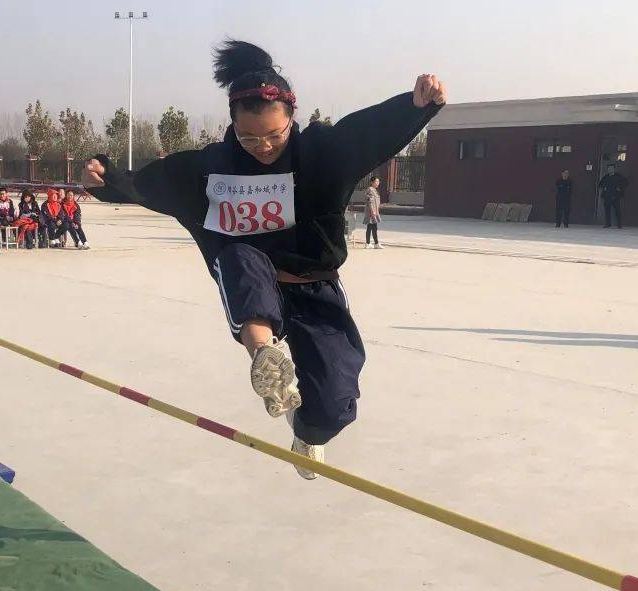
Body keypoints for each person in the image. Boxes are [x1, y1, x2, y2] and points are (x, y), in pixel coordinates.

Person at [83, 40, 445, 479]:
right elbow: (154, 182)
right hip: (249, 274)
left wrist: (414, 106)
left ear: (292, 118)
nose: (264, 146)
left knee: (335, 404)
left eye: (275, 134)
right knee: (241, 257)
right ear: (232, 124)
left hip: (313, 283)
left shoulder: (320, 153)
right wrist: (108, 177)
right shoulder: (212, 167)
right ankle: (265, 355)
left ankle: (306, 429)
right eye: (249, 137)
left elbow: (365, 133)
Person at [364, 176, 383, 248]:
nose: (378, 183)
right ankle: (370, 243)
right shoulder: (370, 189)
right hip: (371, 212)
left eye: (378, 181)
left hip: (374, 212)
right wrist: (372, 212)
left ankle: (374, 243)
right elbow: (370, 202)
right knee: (371, 227)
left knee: (373, 227)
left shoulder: (374, 190)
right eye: (376, 181)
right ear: (372, 182)